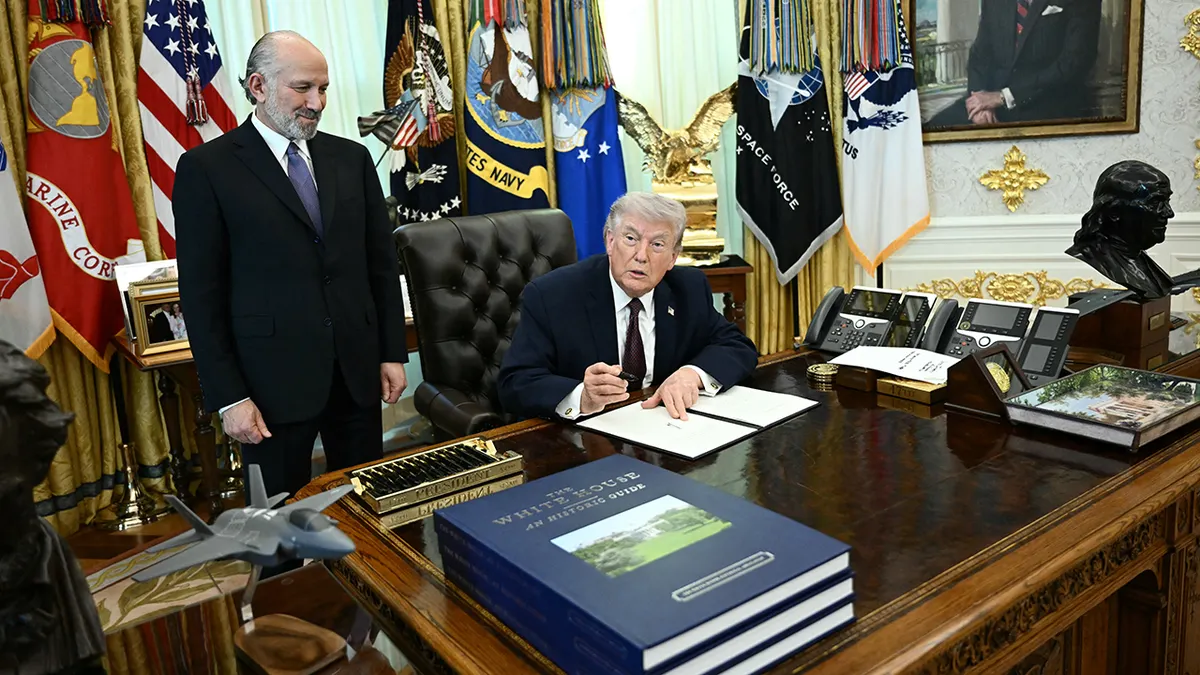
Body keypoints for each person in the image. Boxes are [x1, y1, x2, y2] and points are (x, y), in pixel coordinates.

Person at [175, 31, 409, 501]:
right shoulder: (207, 168)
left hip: (356, 374)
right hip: (270, 385)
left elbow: (379, 266)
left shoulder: (353, 158)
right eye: (302, 88)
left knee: (363, 514)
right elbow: (202, 297)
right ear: (259, 86)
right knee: (280, 530)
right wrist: (230, 397)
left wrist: (391, 352)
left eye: (323, 88)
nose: (316, 102)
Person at [498, 192, 758, 422]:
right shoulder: (552, 295)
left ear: (673, 258)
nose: (641, 256)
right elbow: (516, 383)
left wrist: (691, 374)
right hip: (585, 442)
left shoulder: (687, 288)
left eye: (657, 244)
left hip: (664, 430)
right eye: (631, 238)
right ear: (610, 242)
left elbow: (737, 346)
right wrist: (582, 396)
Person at [927, 0, 1101, 128]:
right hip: (993, 105)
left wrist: (1003, 97)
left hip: (1049, 103)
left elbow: (1073, 64)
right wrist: (978, 103)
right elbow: (980, 55)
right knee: (930, 130)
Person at [1066, 160, 1175, 299]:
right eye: (1154, 202)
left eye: (1167, 201)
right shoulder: (1094, 255)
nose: (1169, 213)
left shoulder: (1141, 261)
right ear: (1114, 212)